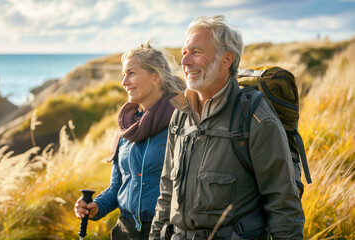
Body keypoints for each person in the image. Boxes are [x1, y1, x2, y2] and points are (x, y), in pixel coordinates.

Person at [149, 15, 305, 240]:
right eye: (184, 52)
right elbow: (166, 194)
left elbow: (283, 205)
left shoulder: (255, 118)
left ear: (227, 60)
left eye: (196, 52)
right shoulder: (180, 116)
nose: (185, 62)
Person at [74, 41, 186, 240]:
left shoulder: (181, 122)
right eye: (123, 75)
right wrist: (96, 207)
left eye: (131, 73)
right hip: (124, 231)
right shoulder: (126, 128)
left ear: (155, 77)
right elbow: (118, 187)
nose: (124, 82)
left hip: (166, 231)